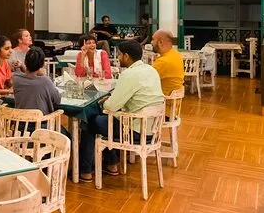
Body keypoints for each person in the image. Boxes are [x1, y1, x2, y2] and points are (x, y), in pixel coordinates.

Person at [78, 40, 164, 182]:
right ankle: (111, 164)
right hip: (152, 128)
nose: (118, 58)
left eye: (119, 55)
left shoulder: (129, 74)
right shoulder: (151, 70)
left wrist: (106, 102)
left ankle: (85, 170)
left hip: (135, 130)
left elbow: (111, 107)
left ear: (126, 56)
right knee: (107, 121)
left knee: (91, 120)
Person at [13, 47, 61, 115]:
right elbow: (57, 100)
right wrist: (42, 75)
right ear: (42, 64)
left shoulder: (16, 79)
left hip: (20, 120)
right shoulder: (45, 81)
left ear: (25, 62)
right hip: (42, 121)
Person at [151, 30, 184, 97]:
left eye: (153, 39)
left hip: (162, 100)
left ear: (160, 42)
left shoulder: (163, 62)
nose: (151, 42)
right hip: (174, 98)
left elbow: (145, 79)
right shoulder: (176, 54)